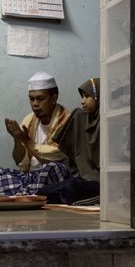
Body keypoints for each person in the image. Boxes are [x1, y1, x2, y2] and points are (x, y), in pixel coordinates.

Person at [0, 71, 71, 195]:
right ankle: (30, 193)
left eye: (40, 99)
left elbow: (54, 156)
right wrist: (17, 138)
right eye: (31, 99)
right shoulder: (29, 120)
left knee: (54, 168)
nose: (35, 104)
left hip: (52, 176)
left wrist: (24, 138)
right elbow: (20, 162)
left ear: (54, 98)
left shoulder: (66, 120)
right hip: (30, 177)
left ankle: (24, 193)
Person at [41, 77, 101, 205]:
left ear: (98, 97)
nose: (82, 101)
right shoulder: (81, 119)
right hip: (83, 179)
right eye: (82, 97)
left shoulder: (105, 123)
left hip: (101, 183)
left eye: (87, 96)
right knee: (42, 192)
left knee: (70, 189)